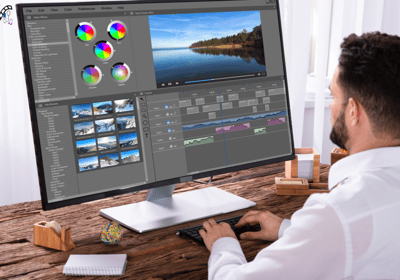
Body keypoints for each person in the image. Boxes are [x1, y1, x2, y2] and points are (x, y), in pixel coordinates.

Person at [199, 31, 400, 279]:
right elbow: (361, 238)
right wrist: (291, 230)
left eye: (333, 95)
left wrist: (224, 245)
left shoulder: (339, 211)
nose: (330, 105)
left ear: (353, 112)